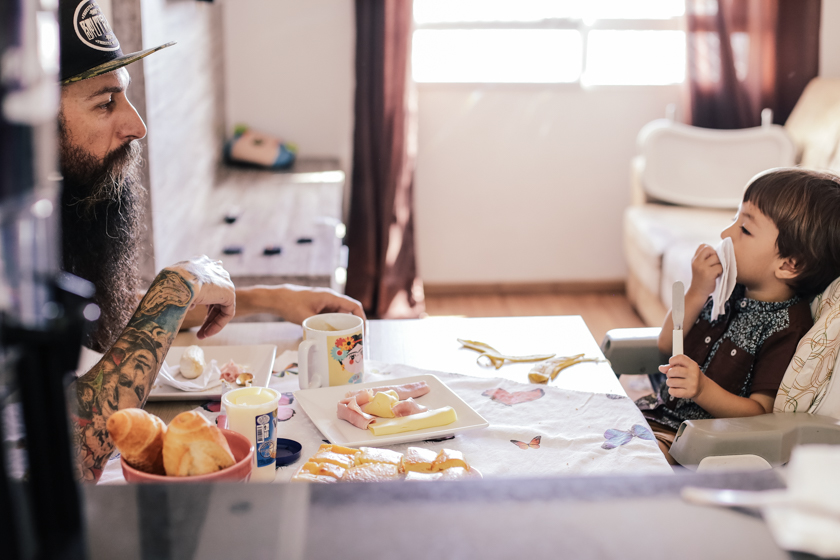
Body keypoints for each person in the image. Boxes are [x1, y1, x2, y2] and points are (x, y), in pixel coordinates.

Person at [57, 0, 363, 482]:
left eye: (126, 97)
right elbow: (70, 453)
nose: (136, 125)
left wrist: (271, 299)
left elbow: (110, 321)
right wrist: (176, 287)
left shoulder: (54, 207)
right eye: (104, 102)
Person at [637, 168, 840, 464]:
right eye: (734, 219)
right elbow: (667, 344)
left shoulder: (787, 327)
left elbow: (759, 412)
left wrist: (702, 388)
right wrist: (697, 291)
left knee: (635, 461)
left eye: (744, 229)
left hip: (694, 442)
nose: (725, 234)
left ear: (790, 263)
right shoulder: (729, 292)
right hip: (653, 415)